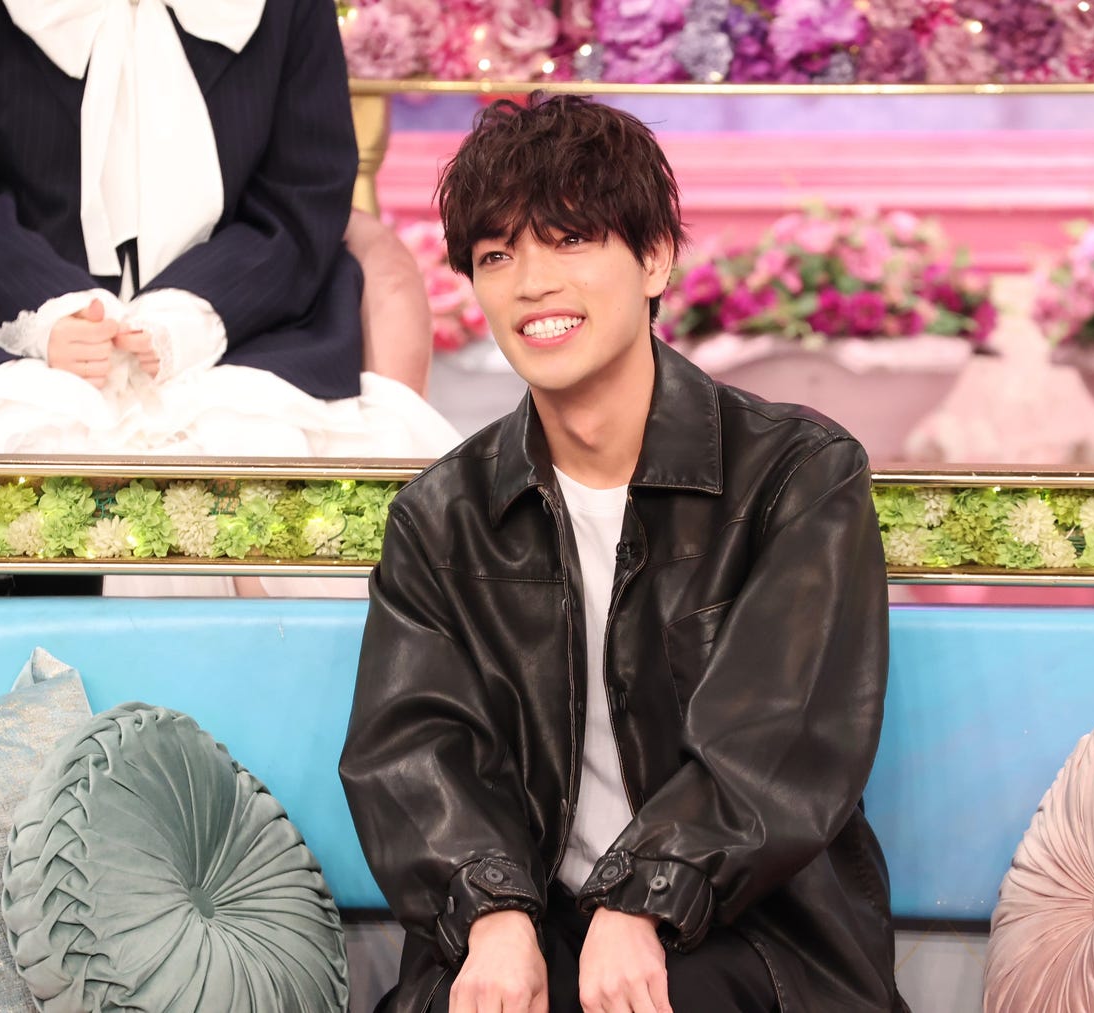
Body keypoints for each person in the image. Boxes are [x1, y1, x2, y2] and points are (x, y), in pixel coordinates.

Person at [340, 93, 906, 1013]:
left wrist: (643, 896)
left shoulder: (795, 477)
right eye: (497, 255)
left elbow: (778, 741)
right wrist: (491, 913)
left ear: (655, 257)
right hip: (524, 918)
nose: (531, 283)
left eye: (569, 240)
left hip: (756, 933)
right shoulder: (442, 516)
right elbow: (412, 751)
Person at [0, 0, 456, 465]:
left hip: (253, 326)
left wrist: (196, 311)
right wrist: (48, 314)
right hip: (3, 321)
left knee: (258, 459)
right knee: (23, 459)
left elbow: (305, 191)